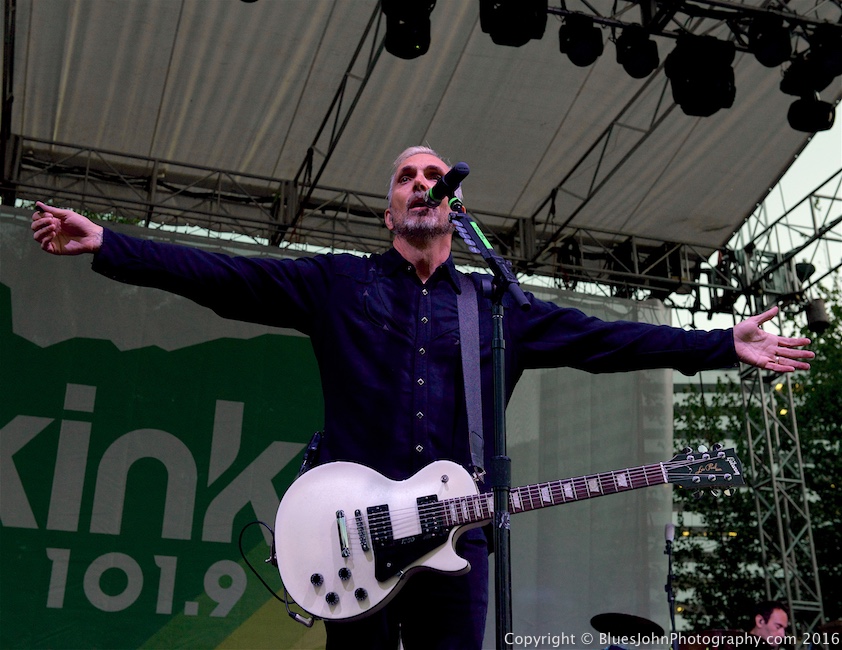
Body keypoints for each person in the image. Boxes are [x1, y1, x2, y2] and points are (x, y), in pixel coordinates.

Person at [31, 146, 814, 650]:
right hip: (353, 541)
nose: (419, 184)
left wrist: (720, 344)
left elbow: (604, 341)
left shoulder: (494, 304)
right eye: (404, 177)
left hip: (457, 547)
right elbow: (223, 277)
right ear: (389, 210)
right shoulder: (338, 283)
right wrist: (110, 243)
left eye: (428, 176)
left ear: (452, 209)